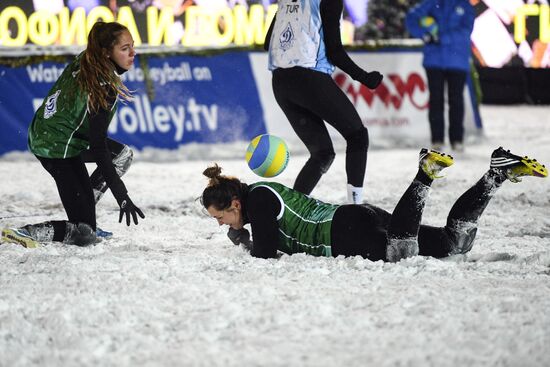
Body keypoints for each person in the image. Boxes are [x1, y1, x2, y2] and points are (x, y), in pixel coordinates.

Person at [201, 147, 547, 262]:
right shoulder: (257, 198)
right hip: (355, 218)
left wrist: (240, 238)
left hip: (343, 232)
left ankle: (425, 174)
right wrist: (241, 230)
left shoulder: (258, 199)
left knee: (401, 250)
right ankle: (496, 174)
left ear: (234, 202)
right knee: (453, 243)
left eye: (220, 216)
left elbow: (264, 252)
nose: (220, 224)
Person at [1, 21, 144, 249]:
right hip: (56, 147)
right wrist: (122, 195)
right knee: (84, 234)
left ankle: (85, 206)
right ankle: (23, 233)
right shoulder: (104, 89)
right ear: (106, 53)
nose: (133, 52)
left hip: (49, 131)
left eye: (132, 46)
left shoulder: (88, 58)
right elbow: (98, 149)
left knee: (122, 155)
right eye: (125, 48)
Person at [264, 0, 383, 204]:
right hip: (309, 77)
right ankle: (356, 207)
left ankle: (292, 210)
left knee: (322, 153)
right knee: (357, 136)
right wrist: (364, 77)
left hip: (281, 82)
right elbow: (335, 51)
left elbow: (268, 42)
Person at [406, 0, 475, 152]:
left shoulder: (464, 5)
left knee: (456, 100)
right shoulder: (431, 2)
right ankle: (437, 140)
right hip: (434, 61)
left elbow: (466, 30)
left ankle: (457, 140)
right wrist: (425, 35)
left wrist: (440, 38)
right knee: (436, 100)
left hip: (457, 61)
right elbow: (411, 18)